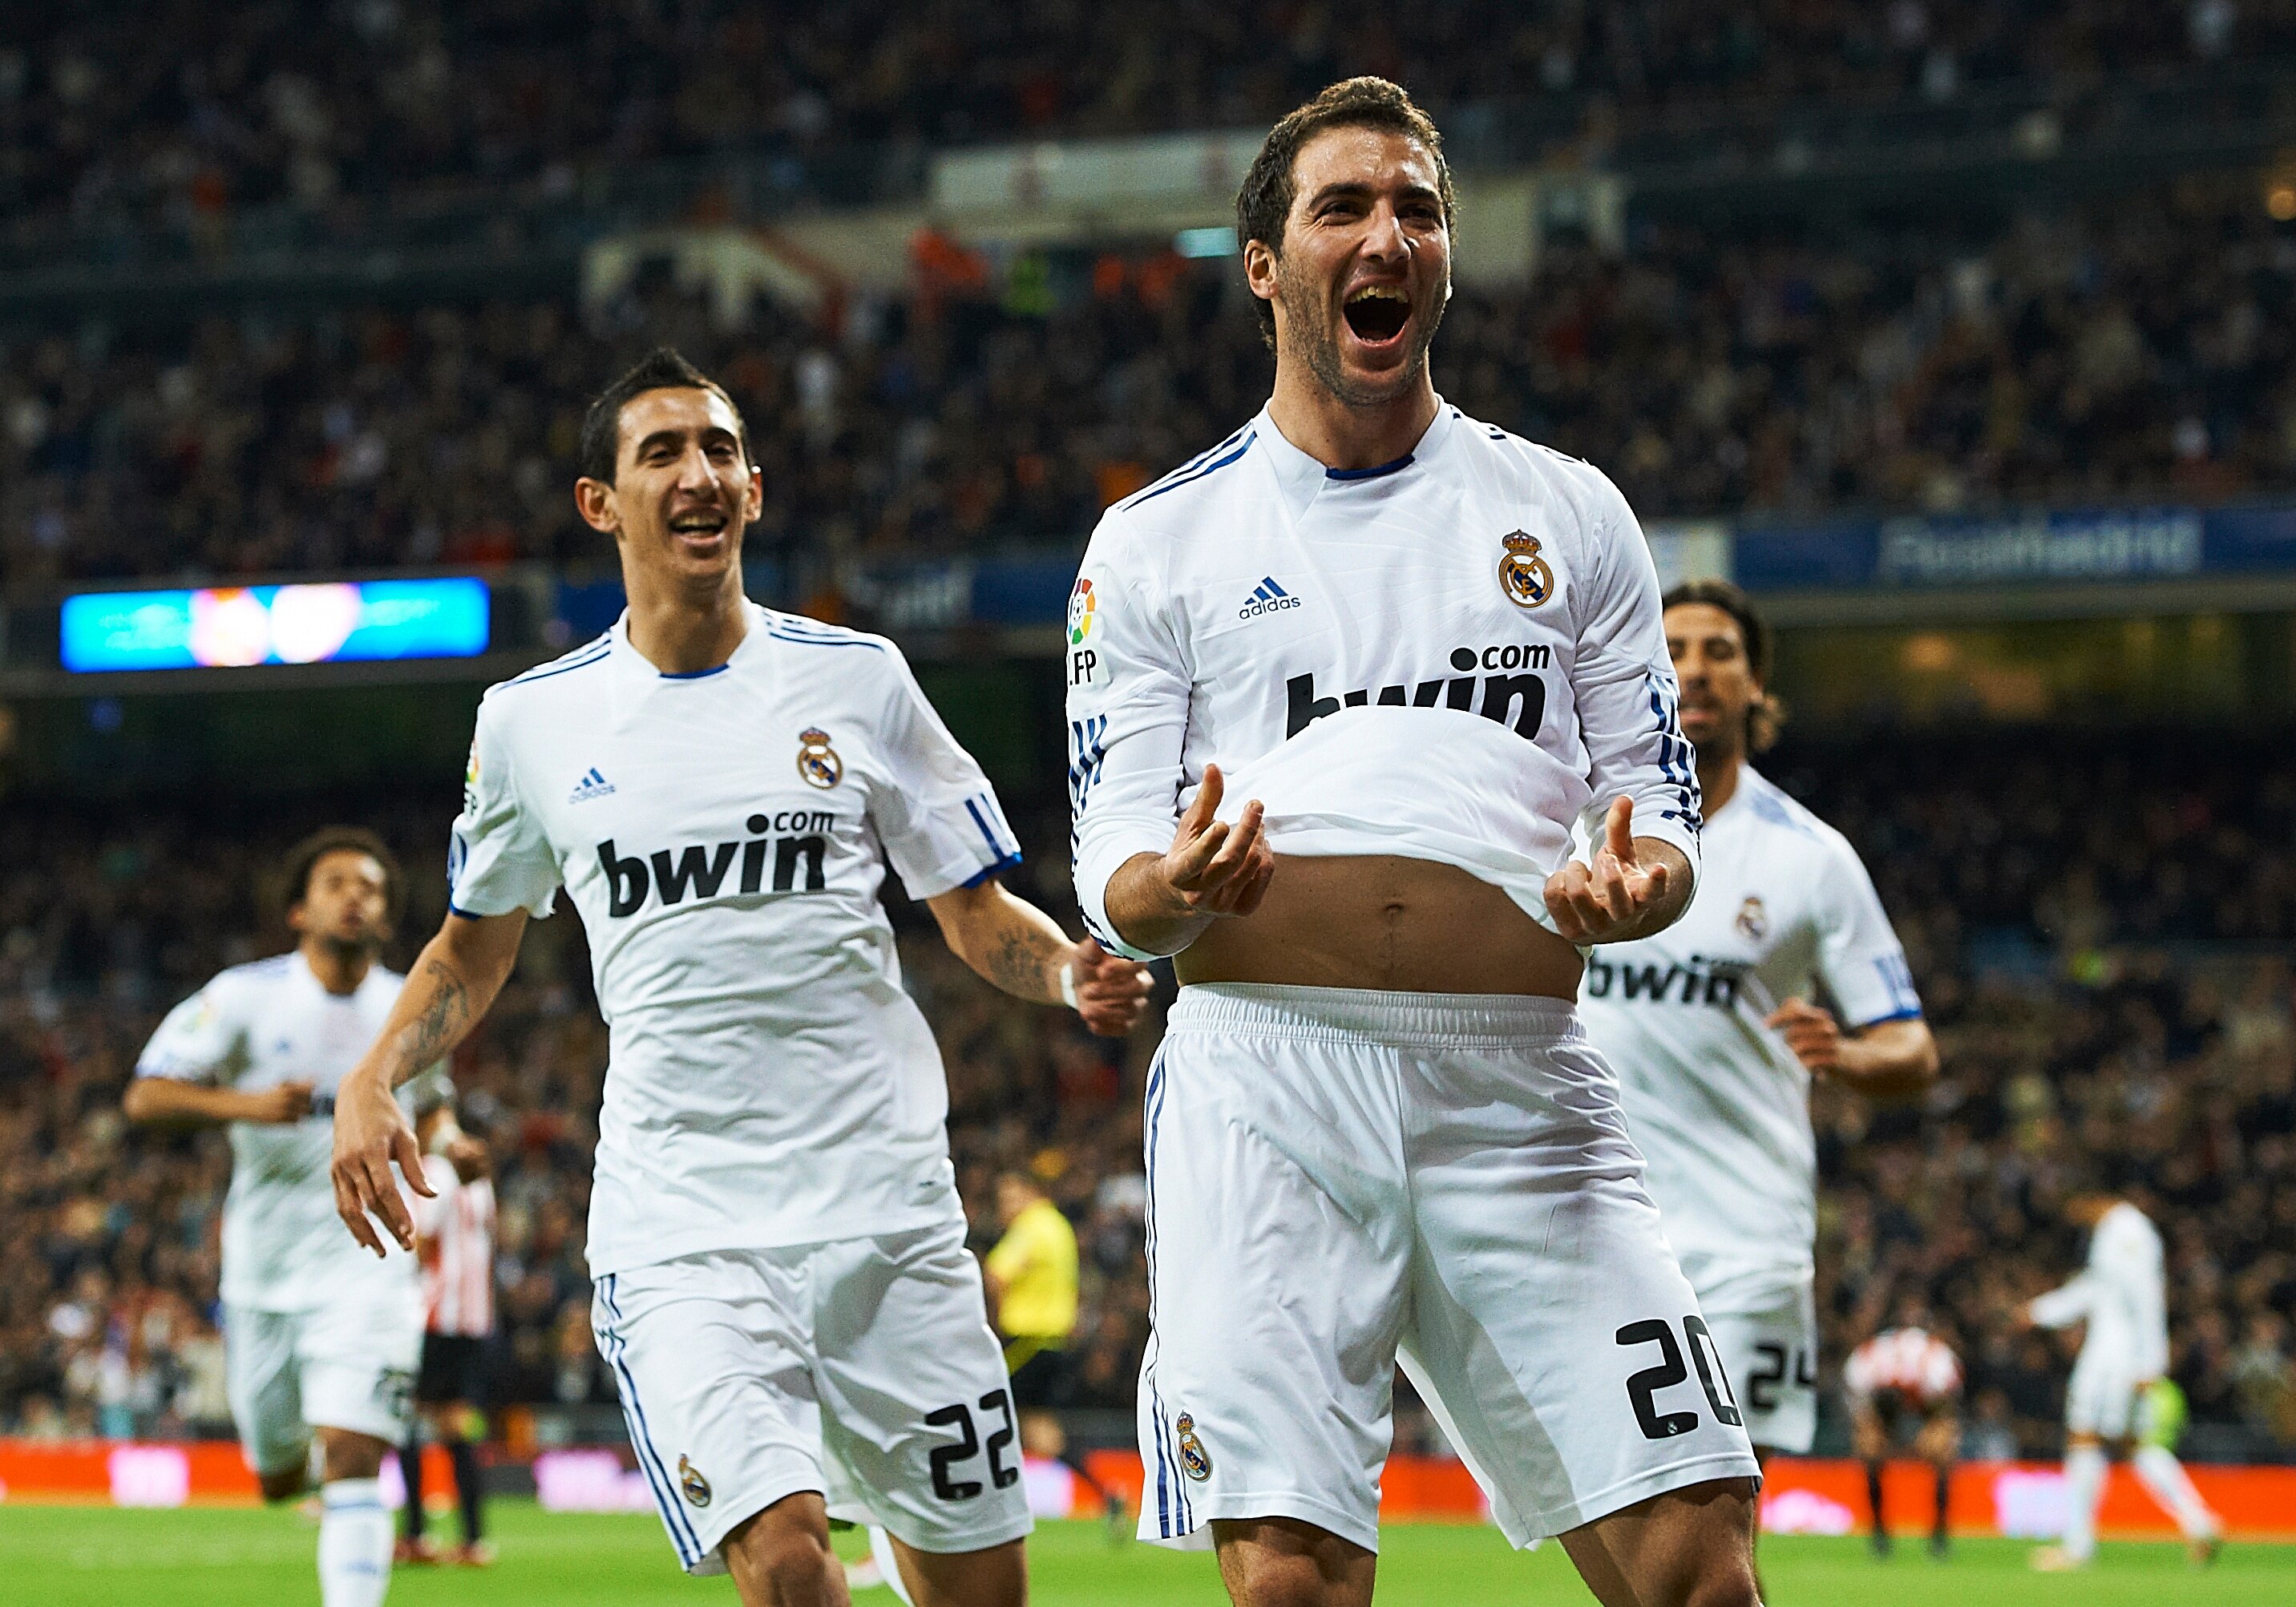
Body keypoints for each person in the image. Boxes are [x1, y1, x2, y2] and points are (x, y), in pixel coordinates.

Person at [1065, 77, 1760, 1607]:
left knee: (1697, 1571)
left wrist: (1639, 885)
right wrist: (1169, 894)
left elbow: (1651, 811)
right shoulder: (1153, 543)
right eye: (1342, 209)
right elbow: (1109, 866)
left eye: (1416, 210)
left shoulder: (1568, 515)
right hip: (1265, 1082)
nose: (1387, 235)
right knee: (1288, 1585)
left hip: (1517, 1082)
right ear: (1263, 265)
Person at [332, 347, 1152, 1607]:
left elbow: (972, 907)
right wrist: (376, 1072)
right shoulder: (532, 723)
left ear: (755, 491)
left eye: (719, 450)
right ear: (599, 504)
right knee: (784, 1562)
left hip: (888, 1215)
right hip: (684, 1233)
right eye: (661, 452)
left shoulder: (857, 679)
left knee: (984, 1592)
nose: (697, 473)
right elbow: (470, 945)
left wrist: (1062, 977)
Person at [1579, 583, 1936, 1477]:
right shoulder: (1575, 830)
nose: (1694, 667)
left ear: (1754, 686)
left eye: (1719, 651)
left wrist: (1848, 1054)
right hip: (1597, 1224)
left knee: (1718, 1512)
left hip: (1744, 1239)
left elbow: (1911, 1047)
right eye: (1675, 648)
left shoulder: (1808, 857)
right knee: (1633, 1528)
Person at [123, 828, 447, 1607]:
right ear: (300, 910)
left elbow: (434, 1113)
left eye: (369, 887)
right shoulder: (243, 995)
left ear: (387, 915)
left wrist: (455, 1146)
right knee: (275, 1473)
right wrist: (245, 1106)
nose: (353, 896)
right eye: (336, 883)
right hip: (264, 1274)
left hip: (367, 1264)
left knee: (352, 1449)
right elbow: (146, 1095)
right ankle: (311, 1467)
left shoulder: (411, 1008)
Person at [2020, 1187, 2221, 1570]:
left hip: (2115, 1357)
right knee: (2130, 1444)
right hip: (2119, 1354)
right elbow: (2096, 1290)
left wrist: (2152, 1360)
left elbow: (2145, 1295)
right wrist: (2042, 1312)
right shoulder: (2114, 1232)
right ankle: (2199, 1521)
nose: (2075, 1214)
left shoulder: (2128, 1231)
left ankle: (2078, 1546)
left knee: (2084, 1437)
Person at [981, 1168, 1122, 1529]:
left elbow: (996, 1274)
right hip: (1054, 1343)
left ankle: (973, 1506)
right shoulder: (1060, 1228)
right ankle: (1107, 1495)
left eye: (1011, 1197)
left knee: (979, 1408)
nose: (1006, 1207)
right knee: (1042, 1432)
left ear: (1031, 1193)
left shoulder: (1032, 1227)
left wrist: (991, 1324)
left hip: (1027, 1341)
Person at [397, 1100, 497, 1567]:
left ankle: (416, 1534)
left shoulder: (434, 1168)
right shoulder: (480, 1178)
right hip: (473, 1316)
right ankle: (474, 1539)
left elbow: (420, 1238)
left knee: (412, 1421)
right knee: (458, 1419)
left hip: (435, 1315)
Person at [1843, 1309, 1963, 1558]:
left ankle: (1939, 1534)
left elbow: (1945, 1412)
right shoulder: (1866, 1368)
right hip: (1878, 1402)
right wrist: (1873, 1434)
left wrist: (1932, 1435)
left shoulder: (1936, 1369)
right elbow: (1862, 1415)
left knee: (1940, 1452)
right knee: (1871, 1451)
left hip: (1930, 1405)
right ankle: (1879, 1532)